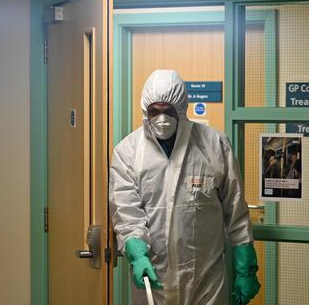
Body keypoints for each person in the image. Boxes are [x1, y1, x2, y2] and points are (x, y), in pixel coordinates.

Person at [109, 70, 260, 305]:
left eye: (168, 111)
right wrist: (137, 254)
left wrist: (245, 269)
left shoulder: (214, 145)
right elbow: (127, 214)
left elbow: (235, 210)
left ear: (181, 108)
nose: (161, 118)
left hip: (206, 279)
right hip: (153, 280)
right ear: (145, 111)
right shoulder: (128, 152)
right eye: (154, 111)